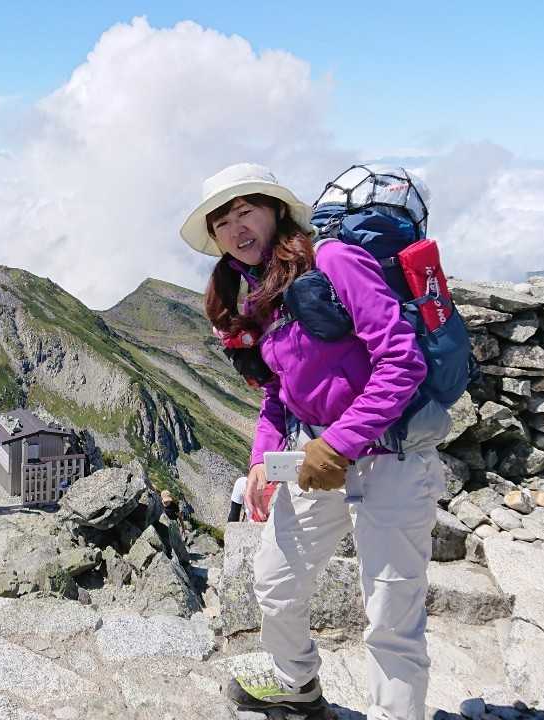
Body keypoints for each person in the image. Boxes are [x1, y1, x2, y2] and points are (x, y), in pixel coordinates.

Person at [181, 163, 442, 720]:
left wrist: (339, 444)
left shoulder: (334, 261)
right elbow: (279, 393)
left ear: (276, 211)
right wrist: (261, 459)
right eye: (222, 222)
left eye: (246, 211)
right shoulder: (259, 293)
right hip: (312, 455)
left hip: (391, 455)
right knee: (275, 579)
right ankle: (296, 683)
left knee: (391, 614)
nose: (236, 229)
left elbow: (402, 362)